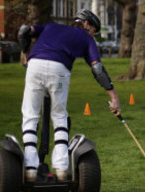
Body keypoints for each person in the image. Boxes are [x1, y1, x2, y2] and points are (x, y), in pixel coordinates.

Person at [18, 10, 120, 182]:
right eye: (94, 30)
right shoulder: (87, 38)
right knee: (59, 116)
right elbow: (97, 69)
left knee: (30, 115)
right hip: (59, 70)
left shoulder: (50, 27)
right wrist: (114, 97)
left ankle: (30, 169)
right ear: (87, 24)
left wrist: (26, 54)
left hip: (35, 66)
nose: (93, 34)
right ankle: (61, 169)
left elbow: (23, 31)